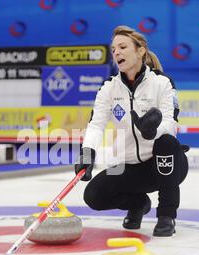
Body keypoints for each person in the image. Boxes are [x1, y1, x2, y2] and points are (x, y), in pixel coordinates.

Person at [75, 25, 189, 237]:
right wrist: (87, 152)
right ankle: (138, 203)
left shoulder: (162, 83)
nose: (116, 52)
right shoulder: (108, 88)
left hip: (166, 164)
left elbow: (171, 123)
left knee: (166, 142)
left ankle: (166, 216)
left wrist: (150, 131)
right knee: (93, 195)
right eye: (113, 49)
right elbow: (96, 124)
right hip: (133, 168)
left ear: (140, 51)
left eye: (122, 46)